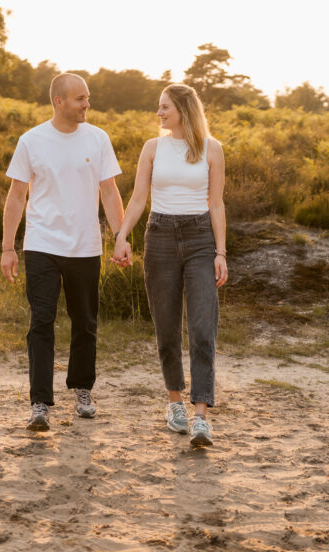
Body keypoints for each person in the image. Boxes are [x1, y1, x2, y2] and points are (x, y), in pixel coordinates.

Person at [1, 73, 125, 432]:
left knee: (85, 322)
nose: (87, 104)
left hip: (85, 246)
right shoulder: (32, 141)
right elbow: (16, 196)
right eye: (80, 99)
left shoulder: (98, 138)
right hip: (41, 245)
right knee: (41, 323)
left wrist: (120, 235)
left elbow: (109, 191)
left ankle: (82, 390)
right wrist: (9, 247)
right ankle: (40, 402)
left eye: (88, 97)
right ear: (59, 101)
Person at [112, 83, 227, 448]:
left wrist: (220, 252)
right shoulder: (152, 148)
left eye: (164, 107)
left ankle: (201, 418)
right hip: (160, 235)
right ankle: (174, 403)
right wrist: (121, 235)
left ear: (183, 109)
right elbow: (139, 197)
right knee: (166, 327)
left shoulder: (212, 149)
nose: (159, 113)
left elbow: (217, 204)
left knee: (202, 328)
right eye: (158, 107)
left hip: (199, 240)